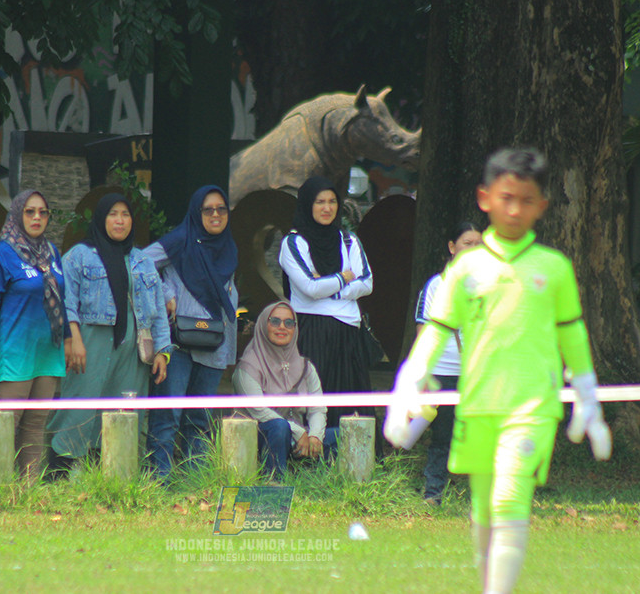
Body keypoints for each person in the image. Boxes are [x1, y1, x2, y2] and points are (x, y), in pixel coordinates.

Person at [387, 148, 611, 594]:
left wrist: (588, 398)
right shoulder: (465, 268)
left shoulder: (555, 269)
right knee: (485, 512)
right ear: (485, 197)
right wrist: (408, 383)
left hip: (534, 408)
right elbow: (436, 331)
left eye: (526, 200)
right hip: (478, 406)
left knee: (511, 498)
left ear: (542, 205)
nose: (515, 209)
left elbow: (573, 335)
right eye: (506, 197)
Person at [48, 193, 172, 464]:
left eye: (125, 214)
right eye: (113, 214)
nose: (120, 220)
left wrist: (163, 351)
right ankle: (59, 476)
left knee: (123, 411)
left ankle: (112, 477)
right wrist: (74, 339)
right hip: (91, 343)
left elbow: (159, 311)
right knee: (80, 409)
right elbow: (65, 300)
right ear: (101, 219)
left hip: (133, 350)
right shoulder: (79, 256)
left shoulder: (143, 261)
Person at [144, 186, 239, 479]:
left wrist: (230, 351)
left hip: (213, 343)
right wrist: (165, 291)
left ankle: (194, 482)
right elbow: (140, 263)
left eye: (221, 209)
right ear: (196, 212)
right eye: (207, 209)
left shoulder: (228, 248)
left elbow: (228, 298)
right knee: (168, 415)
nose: (215, 214)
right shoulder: (180, 239)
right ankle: (158, 481)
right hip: (179, 343)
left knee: (198, 418)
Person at [0, 190, 72, 480]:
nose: (37, 218)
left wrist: (68, 338)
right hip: (15, 350)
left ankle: (27, 492)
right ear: (18, 215)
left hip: (47, 351)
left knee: (36, 424)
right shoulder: (1, 254)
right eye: (30, 212)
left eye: (43, 212)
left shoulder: (52, 252)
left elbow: (61, 301)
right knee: (7, 423)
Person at [279, 175, 374, 427]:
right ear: (307, 204)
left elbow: (367, 283)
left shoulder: (348, 240)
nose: (327, 208)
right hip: (311, 331)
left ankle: (353, 463)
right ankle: (310, 462)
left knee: (349, 405)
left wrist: (329, 285)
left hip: (348, 331)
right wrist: (344, 277)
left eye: (332, 201)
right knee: (312, 402)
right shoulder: (293, 243)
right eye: (320, 201)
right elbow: (310, 287)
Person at [411, 222, 482, 505]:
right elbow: (423, 331)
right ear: (452, 248)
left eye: (479, 244)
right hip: (444, 373)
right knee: (442, 437)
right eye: (467, 243)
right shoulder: (436, 285)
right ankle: (434, 493)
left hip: (479, 373)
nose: (474, 250)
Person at [232, 300, 338, 478]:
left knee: (340, 435)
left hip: (297, 439)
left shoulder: (305, 366)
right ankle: (275, 483)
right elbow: (259, 411)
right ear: (263, 325)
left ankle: (323, 485)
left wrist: (315, 437)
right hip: (261, 438)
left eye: (289, 323)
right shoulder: (248, 367)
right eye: (275, 321)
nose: (282, 327)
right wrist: (298, 431)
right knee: (279, 427)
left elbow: (318, 408)